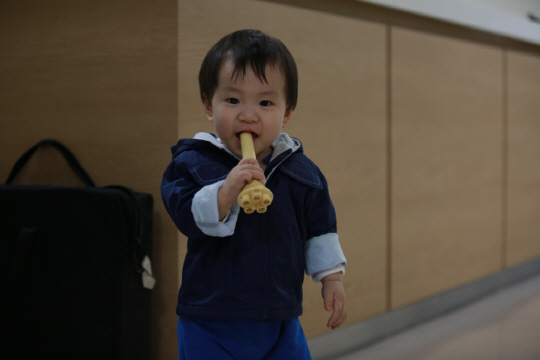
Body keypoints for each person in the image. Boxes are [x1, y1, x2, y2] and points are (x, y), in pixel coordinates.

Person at [161, 29, 347, 360]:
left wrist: (331, 279)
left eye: (265, 102)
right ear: (209, 104)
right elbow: (184, 213)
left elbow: (320, 230)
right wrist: (224, 193)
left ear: (286, 113)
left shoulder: (301, 172)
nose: (248, 114)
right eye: (232, 100)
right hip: (210, 318)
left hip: (280, 319)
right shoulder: (192, 162)